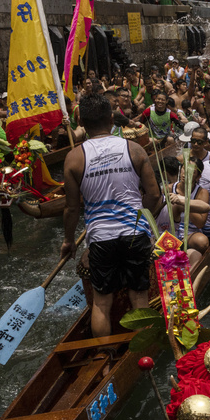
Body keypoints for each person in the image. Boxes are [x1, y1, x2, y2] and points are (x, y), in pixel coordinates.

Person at [60, 94, 161, 339]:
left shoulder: (73, 158)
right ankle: (142, 349)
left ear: (82, 121)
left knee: (101, 302)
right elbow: (154, 195)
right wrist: (140, 217)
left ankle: (103, 354)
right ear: (111, 118)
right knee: (139, 296)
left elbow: (72, 209)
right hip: (135, 234)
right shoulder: (134, 149)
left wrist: (68, 241)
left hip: (100, 238)